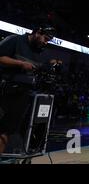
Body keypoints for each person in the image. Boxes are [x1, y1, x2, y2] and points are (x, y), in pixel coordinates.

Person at [0, 25, 56, 153]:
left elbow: (40, 69)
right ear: (37, 32)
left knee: (6, 131)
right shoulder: (15, 40)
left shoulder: (40, 51)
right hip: (4, 90)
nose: (46, 43)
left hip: (22, 94)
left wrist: (50, 65)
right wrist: (20, 63)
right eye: (45, 39)